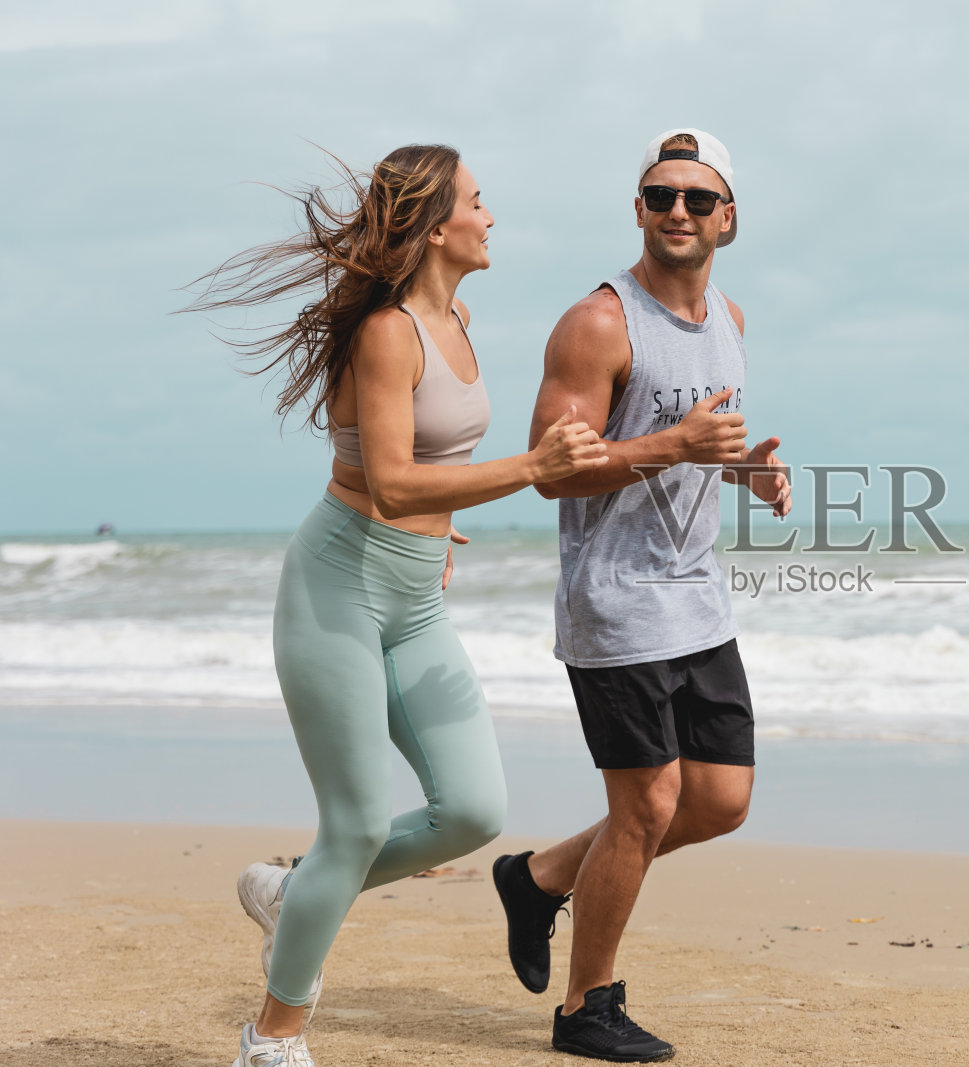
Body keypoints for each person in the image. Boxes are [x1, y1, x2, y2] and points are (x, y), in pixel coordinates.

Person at [184, 144, 608, 1067]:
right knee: (358, 825)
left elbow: (431, 468)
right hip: (336, 587)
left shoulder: (458, 319)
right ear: (435, 224)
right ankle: (272, 1037)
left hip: (414, 599)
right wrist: (532, 468)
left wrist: (439, 528)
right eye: (478, 202)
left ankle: (292, 892)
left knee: (474, 810)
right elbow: (389, 480)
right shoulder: (386, 332)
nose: (490, 217)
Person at [492, 128, 791, 1062]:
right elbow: (551, 470)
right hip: (616, 603)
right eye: (660, 196)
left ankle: (539, 878)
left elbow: (698, 444)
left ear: (727, 218)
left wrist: (745, 471)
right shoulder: (598, 323)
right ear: (638, 210)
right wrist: (674, 447)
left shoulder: (728, 318)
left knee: (719, 800)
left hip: (698, 598)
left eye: (697, 199)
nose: (677, 211)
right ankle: (588, 1006)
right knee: (648, 804)